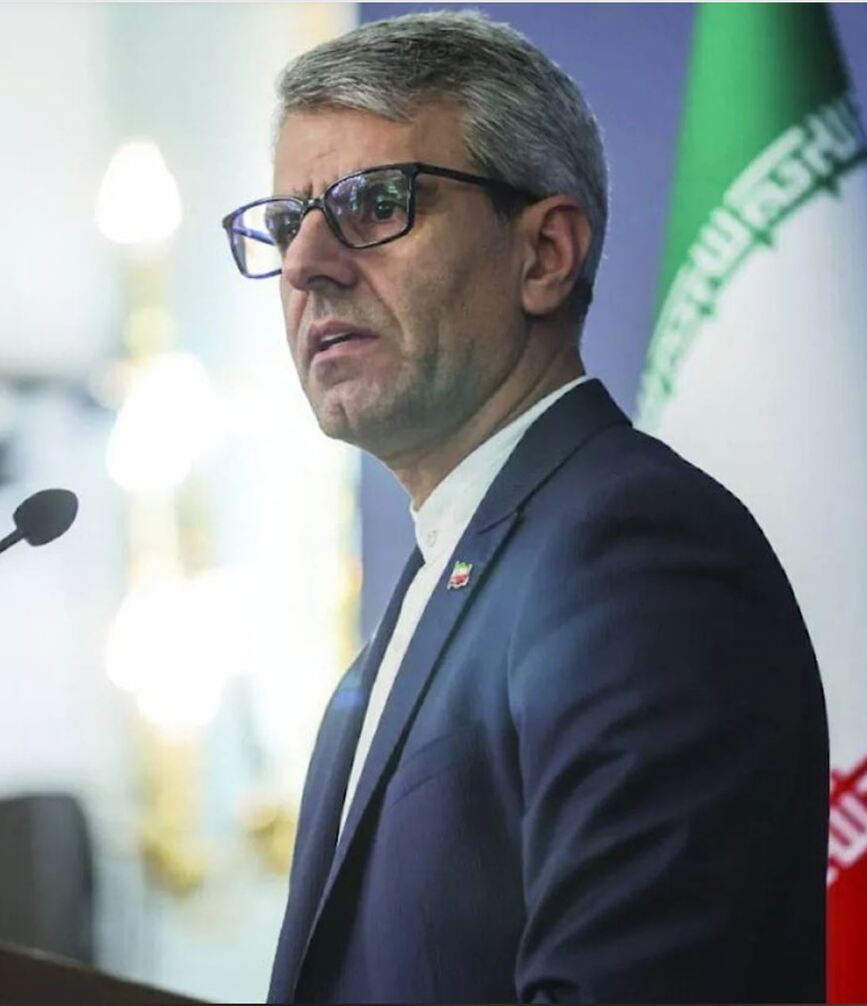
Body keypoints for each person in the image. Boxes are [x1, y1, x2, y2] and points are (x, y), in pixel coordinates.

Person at [221, 10, 827, 1004]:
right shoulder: (451, 576)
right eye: (288, 223)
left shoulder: (632, 553)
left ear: (544, 253)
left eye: (375, 203)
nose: (304, 265)